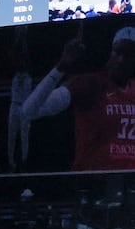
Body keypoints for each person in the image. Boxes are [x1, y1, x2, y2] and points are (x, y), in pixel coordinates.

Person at [22, 26, 135, 170]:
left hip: (129, 183)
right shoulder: (88, 83)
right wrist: (60, 67)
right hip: (92, 184)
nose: (121, 60)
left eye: (129, 54)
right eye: (118, 52)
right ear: (110, 53)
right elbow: (28, 111)